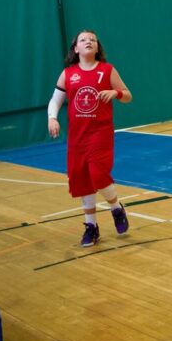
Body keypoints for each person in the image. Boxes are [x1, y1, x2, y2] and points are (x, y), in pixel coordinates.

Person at [48, 30, 133, 247]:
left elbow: (128, 95)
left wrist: (116, 93)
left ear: (97, 47)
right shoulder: (68, 74)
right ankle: (91, 227)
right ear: (76, 48)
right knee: (81, 179)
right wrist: (52, 118)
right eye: (83, 40)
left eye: (92, 40)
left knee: (98, 175)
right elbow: (55, 100)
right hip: (78, 137)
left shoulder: (107, 70)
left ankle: (116, 208)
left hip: (100, 133)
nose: (88, 42)